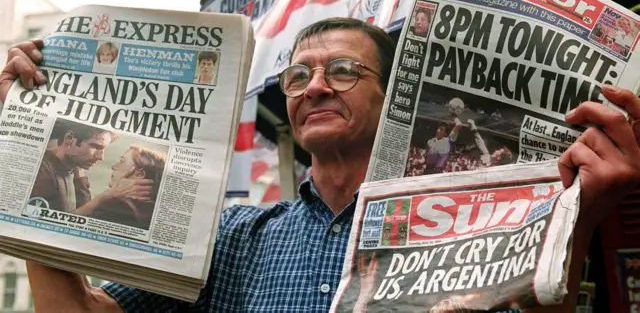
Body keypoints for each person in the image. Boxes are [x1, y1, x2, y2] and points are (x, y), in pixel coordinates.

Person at [1, 17, 639, 312]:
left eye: (342, 71)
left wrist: (575, 220)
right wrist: (25, 158)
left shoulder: (465, 227)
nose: (313, 87)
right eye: (297, 75)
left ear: (395, 96)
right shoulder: (233, 238)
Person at [32, 120, 153, 217]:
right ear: (69, 139)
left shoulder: (73, 169)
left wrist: (79, 174)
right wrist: (107, 196)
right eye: (96, 147)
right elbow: (47, 225)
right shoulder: (42, 169)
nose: (100, 157)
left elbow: (83, 212)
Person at [88, 145, 165, 230]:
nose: (114, 167)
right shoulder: (156, 214)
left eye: (121, 161)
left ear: (140, 174)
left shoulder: (113, 207)